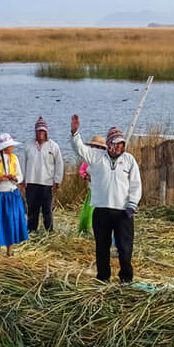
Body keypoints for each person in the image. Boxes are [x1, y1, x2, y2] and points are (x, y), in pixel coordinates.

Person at [70, 115, 142, 283]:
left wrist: (132, 204)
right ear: (109, 144)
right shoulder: (96, 157)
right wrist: (75, 133)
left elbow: (136, 184)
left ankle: (126, 278)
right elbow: (79, 148)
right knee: (102, 247)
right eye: (116, 143)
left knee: (125, 248)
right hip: (102, 210)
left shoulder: (129, 160)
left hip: (123, 211)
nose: (119, 147)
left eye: (121, 144)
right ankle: (103, 278)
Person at [0, 133, 28, 255]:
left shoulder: (14, 158)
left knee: (10, 220)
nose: (12, 147)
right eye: (9, 145)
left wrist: (15, 178)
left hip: (11, 194)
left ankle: (10, 249)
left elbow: (20, 176)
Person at [19, 116, 63, 233]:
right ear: (35, 132)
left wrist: (57, 180)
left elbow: (59, 164)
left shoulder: (53, 146)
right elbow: (22, 163)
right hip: (31, 182)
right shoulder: (29, 146)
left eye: (43, 131)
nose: (40, 133)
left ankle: (49, 232)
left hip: (47, 183)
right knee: (32, 210)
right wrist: (22, 180)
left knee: (47, 210)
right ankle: (31, 232)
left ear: (46, 132)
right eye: (38, 131)